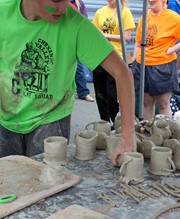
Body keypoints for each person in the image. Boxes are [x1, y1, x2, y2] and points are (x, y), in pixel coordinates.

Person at [0, 0, 136, 166]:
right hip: (5, 117)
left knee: (47, 184)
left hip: (50, 119)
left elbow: (122, 73)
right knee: (8, 183)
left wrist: (128, 135)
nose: (64, 8)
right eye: (56, 0)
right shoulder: (3, 13)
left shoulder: (75, 25)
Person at [132, 0, 180, 120]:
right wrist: (134, 62)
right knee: (146, 103)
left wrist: (172, 49)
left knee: (163, 103)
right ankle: (149, 130)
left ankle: (163, 133)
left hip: (163, 66)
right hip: (142, 65)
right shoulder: (144, 17)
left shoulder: (173, 17)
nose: (150, 1)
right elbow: (137, 43)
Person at [92, 0, 135, 126]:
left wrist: (104, 35)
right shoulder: (99, 12)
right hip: (99, 56)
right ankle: (104, 124)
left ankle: (116, 123)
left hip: (116, 57)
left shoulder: (125, 12)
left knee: (112, 95)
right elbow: (94, 34)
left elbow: (126, 37)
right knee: (100, 94)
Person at [70, 0, 94, 102]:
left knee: (78, 67)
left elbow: (85, 21)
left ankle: (83, 93)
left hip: (75, 40)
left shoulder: (79, 3)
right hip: (61, 39)